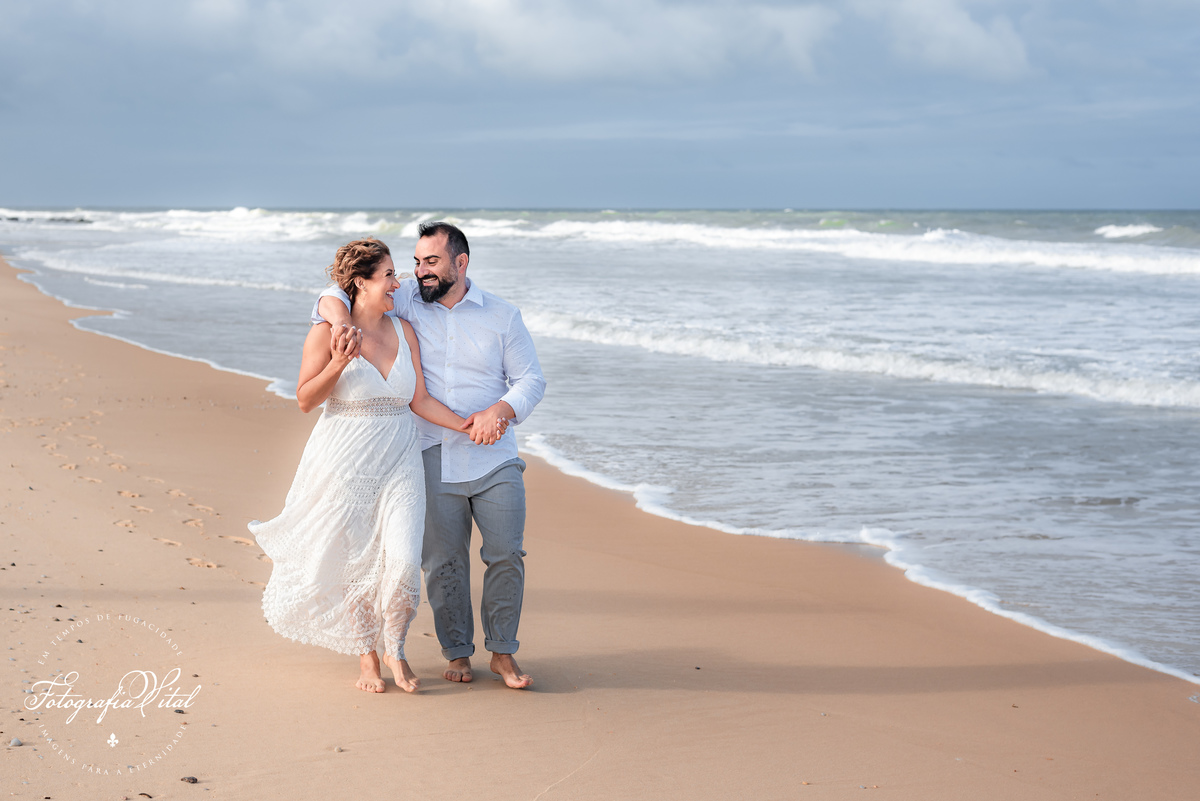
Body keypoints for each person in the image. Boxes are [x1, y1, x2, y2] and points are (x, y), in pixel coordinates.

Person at [250, 238, 501, 694]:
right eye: (388, 275)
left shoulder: (404, 330)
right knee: (356, 563)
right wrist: (339, 362)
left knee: (403, 562)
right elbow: (306, 399)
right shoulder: (327, 333)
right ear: (361, 283)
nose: (397, 282)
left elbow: (419, 399)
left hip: (400, 458)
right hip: (345, 458)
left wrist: (467, 426)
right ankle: (369, 657)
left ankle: (396, 649)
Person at [315, 221, 545, 689]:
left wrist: (501, 410)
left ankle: (503, 652)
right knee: (442, 561)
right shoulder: (406, 301)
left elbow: (531, 380)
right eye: (417, 262)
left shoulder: (503, 316)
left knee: (506, 554)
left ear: (461, 263)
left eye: (431, 262)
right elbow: (335, 292)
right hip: (430, 451)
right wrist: (339, 323)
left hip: (494, 454)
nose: (420, 272)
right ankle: (458, 652)